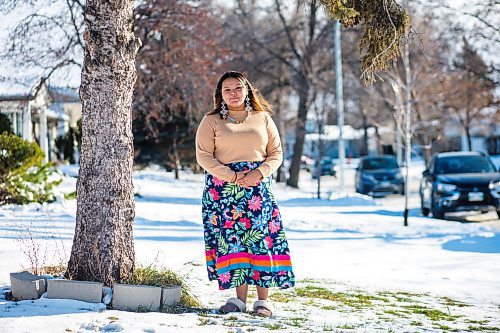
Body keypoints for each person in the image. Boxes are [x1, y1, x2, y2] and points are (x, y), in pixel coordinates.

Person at [195, 71, 295, 317]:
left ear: (247, 90)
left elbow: (276, 153)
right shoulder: (211, 121)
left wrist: (259, 173)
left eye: (238, 88)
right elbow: (203, 156)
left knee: (259, 240)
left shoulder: (263, 118)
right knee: (234, 241)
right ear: (220, 94)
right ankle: (238, 299)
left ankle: (263, 301)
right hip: (223, 190)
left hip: (257, 189)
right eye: (227, 89)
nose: (233, 93)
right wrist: (233, 176)